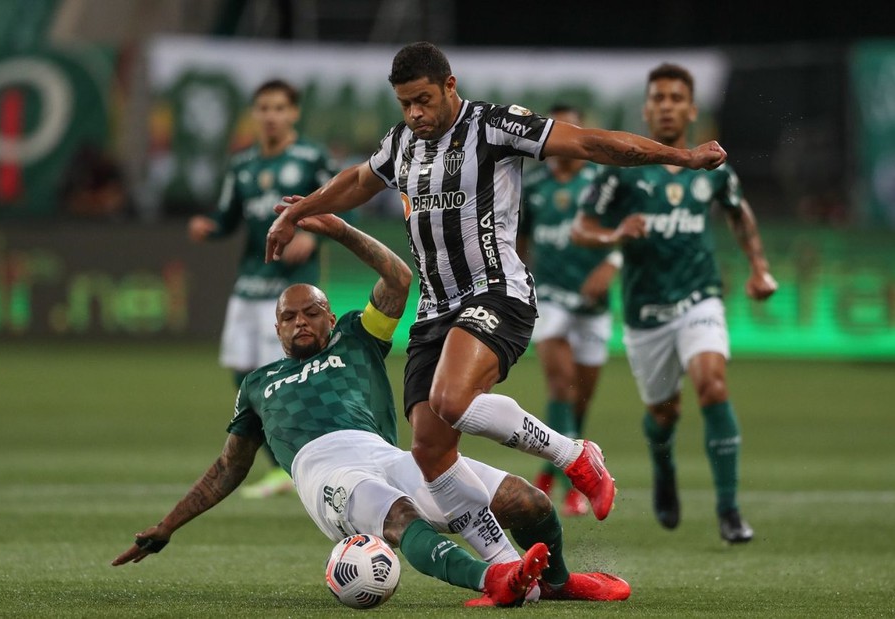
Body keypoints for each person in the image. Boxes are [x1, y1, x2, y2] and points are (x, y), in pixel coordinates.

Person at [265, 41, 728, 556]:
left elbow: (592, 144)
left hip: (496, 294)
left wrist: (680, 157)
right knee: (430, 452)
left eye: (424, 99)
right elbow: (356, 181)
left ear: (450, 86)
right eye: (405, 104)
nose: (416, 113)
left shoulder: (495, 126)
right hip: (434, 311)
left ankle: (575, 455)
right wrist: (297, 212)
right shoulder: (401, 143)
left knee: (452, 400)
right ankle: (504, 568)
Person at [113, 209, 632, 606]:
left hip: (386, 455)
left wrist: (339, 230)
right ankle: (496, 578)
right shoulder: (258, 383)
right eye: (288, 317)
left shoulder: (356, 337)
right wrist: (167, 525)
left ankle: (558, 583)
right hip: (325, 473)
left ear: (328, 314)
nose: (300, 323)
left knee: (526, 502)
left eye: (311, 312)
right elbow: (229, 466)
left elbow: (399, 280)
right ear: (276, 329)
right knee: (403, 518)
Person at [571, 63, 778, 543]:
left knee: (712, 384)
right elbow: (581, 228)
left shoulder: (712, 168)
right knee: (664, 412)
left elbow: (739, 213)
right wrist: (615, 233)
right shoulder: (622, 172)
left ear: (691, 108)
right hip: (646, 314)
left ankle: (729, 510)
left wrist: (759, 266)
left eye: (674, 97)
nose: (666, 105)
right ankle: (663, 467)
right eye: (658, 97)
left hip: (699, 298)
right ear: (646, 109)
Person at [188, 78, 336, 499]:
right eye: (263, 108)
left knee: (290, 378)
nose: (271, 116)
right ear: (254, 115)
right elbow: (228, 216)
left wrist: (315, 236)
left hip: (292, 292)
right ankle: (280, 468)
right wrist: (210, 228)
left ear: (294, 113)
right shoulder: (242, 165)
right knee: (243, 375)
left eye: (279, 108)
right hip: (249, 285)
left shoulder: (311, 159)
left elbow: (338, 202)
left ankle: (306, 461)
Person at [517, 104, 622, 517]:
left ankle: (549, 467)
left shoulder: (602, 183)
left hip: (594, 304)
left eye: (571, 128)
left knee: (580, 398)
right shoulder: (534, 184)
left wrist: (611, 264)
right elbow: (519, 240)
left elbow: (627, 232)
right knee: (561, 386)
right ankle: (574, 484)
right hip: (551, 296)